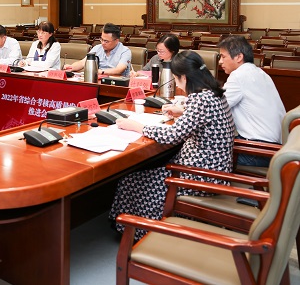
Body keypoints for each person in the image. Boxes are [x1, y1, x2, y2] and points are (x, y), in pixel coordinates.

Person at [109, 51, 236, 240]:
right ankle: (128, 226)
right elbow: (203, 118)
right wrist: (183, 111)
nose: (176, 83)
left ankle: (139, 233)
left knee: (132, 179)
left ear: (184, 77)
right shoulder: (214, 92)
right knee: (144, 171)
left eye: (176, 78)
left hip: (201, 175)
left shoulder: (201, 99)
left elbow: (172, 136)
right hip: (215, 168)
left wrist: (137, 126)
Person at [219, 35, 285, 166]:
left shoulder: (239, 75)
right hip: (276, 149)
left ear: (239, 57)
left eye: (223, 57)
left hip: (258, 150)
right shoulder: (260, 73)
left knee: (204, 151)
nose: (220, 62)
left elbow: (215, 107)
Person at [66, 23, 131, 77]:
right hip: (98, 80)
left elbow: (119, 70)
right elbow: (83, 62)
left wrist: (101, 72)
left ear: (116, 41)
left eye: (106, 41)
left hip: (116, 82)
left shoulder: (125, 51)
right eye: (102, 39)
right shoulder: (97, 48)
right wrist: (71, 67)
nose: (103, 43)